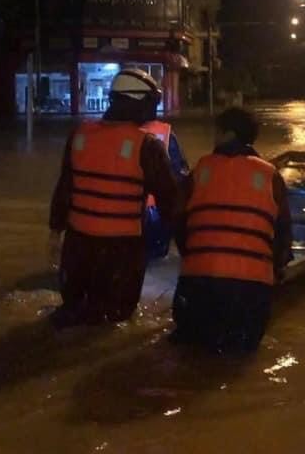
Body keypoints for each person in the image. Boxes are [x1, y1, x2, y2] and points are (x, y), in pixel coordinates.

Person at [48, 68, 179, 329]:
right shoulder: (148, 146)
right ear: (140, 103)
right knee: (114, 323)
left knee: (75, 313)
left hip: (77, 246)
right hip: (122, 250)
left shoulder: (80, 135)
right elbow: (171, 204)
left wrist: (54, 233)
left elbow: (64, 188)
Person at [171, 108, 292, 354]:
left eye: (217, 131)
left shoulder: (200, 170)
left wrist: (195, 259)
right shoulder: (270, 176)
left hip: (197, 286)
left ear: (227, 134)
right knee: (239, 355)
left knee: (190, 352)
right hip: (249, 291)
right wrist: (275, 270)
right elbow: (283, 236)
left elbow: (179, 224)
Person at [142, 118, 189, 259]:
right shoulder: (164, 133)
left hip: (120, 219)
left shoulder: (107, 135)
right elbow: (179, 175)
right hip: (157, 217)